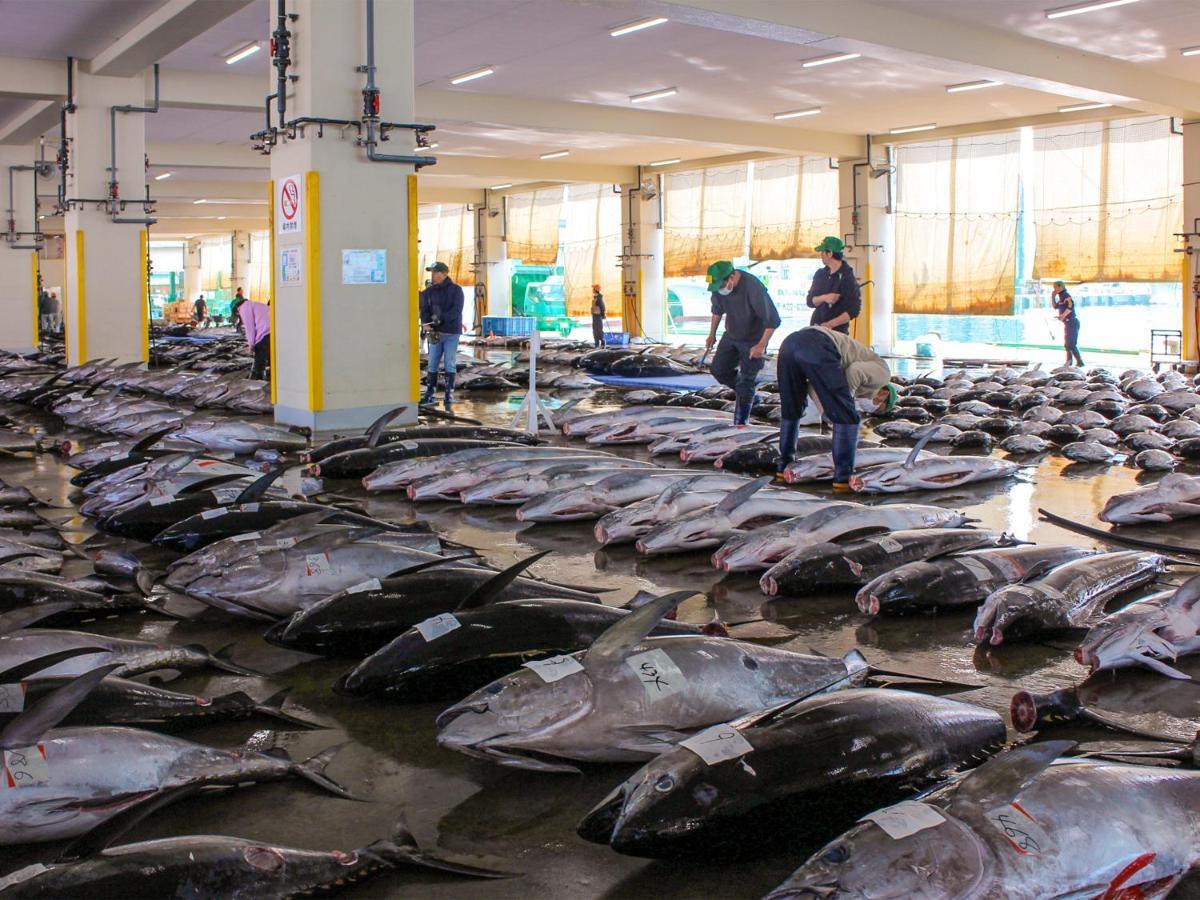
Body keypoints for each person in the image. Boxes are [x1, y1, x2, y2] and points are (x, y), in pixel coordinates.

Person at [776, 326, 897, 491]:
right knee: (847, 417)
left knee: (792, 408)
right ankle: (843, 478)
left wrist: (827, 412)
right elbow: (855, 371)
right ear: (884, 395)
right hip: (819, 343)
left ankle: (784, 466)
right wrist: (843, 406)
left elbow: (813, 386)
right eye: (880, 407)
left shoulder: (869, 380)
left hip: (790, 344)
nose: (874, 408)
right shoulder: (883, 374)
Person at [704, 260, 781, 426]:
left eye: (721, 284)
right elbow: (717, 311)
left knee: (747, 379)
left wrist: (761, 345)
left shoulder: (753, 287)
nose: (719, 289)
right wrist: (711, 334)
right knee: (718, 370)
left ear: (731, 276)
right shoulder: (719, 287)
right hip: (731, 334)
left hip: (753, 339)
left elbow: (772, 320)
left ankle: (740, 424)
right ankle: (750, 394)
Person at [420, 261, 465, 410]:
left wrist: (440, 319)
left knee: (449, 363)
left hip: (451, 332)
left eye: (435, 272)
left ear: (444, 274)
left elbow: (456, 311)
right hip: (435, 333)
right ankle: (430, 394)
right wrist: (426, 322)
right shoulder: (429, 292)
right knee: (432, 362)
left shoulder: (456, 290)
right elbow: (424, 309)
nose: (433, 275)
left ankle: (448, 395)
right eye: (432, 273)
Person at [806, 236, 860, 334]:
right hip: (816, 327)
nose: (821, 255)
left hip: (837, 333)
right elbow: (810, 301)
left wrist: (830, 324)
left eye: (823, 252)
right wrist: (824, 298)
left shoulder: (847, 277)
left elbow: (854, 309)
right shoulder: (820, 274)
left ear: (830, 253)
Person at [1052, 280, 1083, 367]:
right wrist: (1053, 296)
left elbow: (1071, 306)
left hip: (1072, 322)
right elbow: (1055, 307)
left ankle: (1080, 362)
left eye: (1055, 287)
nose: (1054, 289)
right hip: (1067, 323)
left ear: (1060, 287)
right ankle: (1069, 362)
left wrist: (1063, 316)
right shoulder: (1061, 297)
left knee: (1071, 344)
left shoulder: (1066, 295)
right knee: (1067, 344)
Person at [241, 299, 271, 380]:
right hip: (273, 329)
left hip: (265, 331)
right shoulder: (257, 305)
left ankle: (259, 379)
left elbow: (249, 328)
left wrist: (251, 344)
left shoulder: (244, 307)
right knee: (271, 355)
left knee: (259, 352)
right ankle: (272, 376)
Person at [591, 284, 606, 348]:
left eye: (593, 289)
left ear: (595, 290)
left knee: (598, 329)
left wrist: (603, 314)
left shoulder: (599, 298)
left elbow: (602, 307)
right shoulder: (596, 297)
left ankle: (602, 342)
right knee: (595, 329)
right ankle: (596, 342)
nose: (592, 290)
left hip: (598, 316)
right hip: (594, 316)